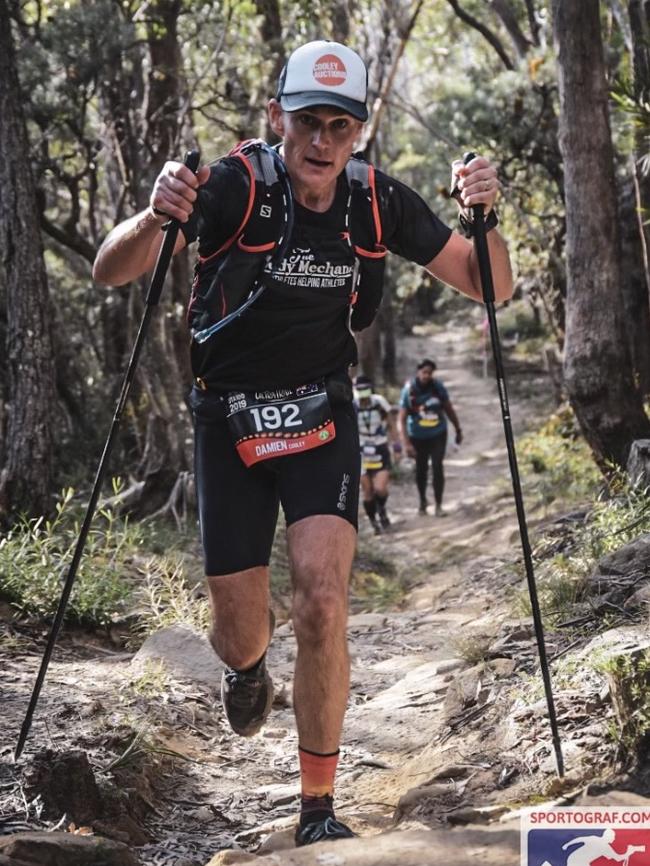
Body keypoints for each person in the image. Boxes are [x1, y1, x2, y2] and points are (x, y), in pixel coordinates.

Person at [92, 39, 513, 846]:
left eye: (341, 125)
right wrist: (156, 213)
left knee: (323, 601)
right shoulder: (231, 186)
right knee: (239, 628)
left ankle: (317, 806)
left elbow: (490, 283)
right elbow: (113, 271)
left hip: (321, 413)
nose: (322, 141)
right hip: (230, 418)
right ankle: (249, 674)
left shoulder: (374, 201)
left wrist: (482, 217)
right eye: (308, 121)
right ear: (277, 114)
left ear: (360, 131)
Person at [398, 358, 462, 516]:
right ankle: (422, 502)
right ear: (418, 372)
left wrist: (458, 429)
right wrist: (406, 443)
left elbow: (449, 409)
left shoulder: (438, 387)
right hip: (417, 436)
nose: (426, 376)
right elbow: (401, 419)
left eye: (429, 373)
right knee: (421, 470)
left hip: (437, 434)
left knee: (437, 466)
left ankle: (439, 505)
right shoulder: (409, 390)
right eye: (424, 372)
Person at [353, 375, 398, 534]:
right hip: (361, 452)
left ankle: (382, 509)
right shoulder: (353, 406)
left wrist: (396, 444)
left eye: (365, 389)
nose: (363, 392)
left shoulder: (379, 402)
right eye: (360, 390)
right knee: (367, 491)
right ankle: (374, 522)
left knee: (380, 488)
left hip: (380, 448)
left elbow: (391, 422)